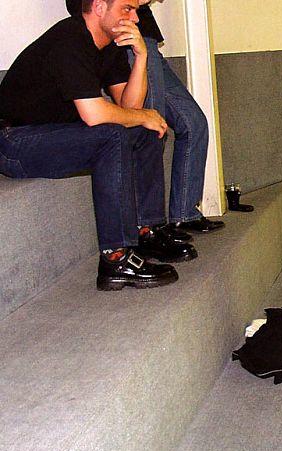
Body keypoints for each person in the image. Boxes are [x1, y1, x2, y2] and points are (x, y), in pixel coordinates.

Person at [0, 0, 194, 290]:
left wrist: (141, 56)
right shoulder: (69, 39)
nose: (135, 19)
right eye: (127, 9)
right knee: (114, 135)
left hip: (57, 133)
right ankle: (115, 257)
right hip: (14, 142)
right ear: (100, 6)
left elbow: (130, 107)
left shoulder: (109, 46)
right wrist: (142, 115)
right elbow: (94, 115)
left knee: (146, 129)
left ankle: (146, 231)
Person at [65, 0, 224, 236]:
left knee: (194, 123)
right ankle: (147, 227)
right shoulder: (72, 35)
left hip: (146, 39)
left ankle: (184, 214)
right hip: (124, 37)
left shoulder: (138, 18)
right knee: (149, 130)